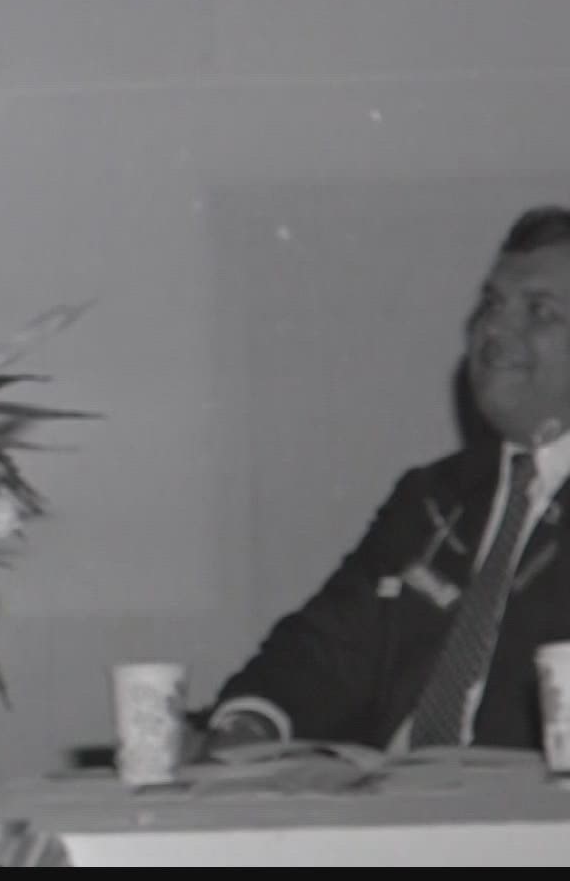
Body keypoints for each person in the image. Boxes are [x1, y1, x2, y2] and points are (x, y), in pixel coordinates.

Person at [203, 205, 570, 754]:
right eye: (492, 304)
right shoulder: (431, 498)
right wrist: (250, 721)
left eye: (540, 312)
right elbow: (326, 649)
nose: (496, 330)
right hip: (395, 817)